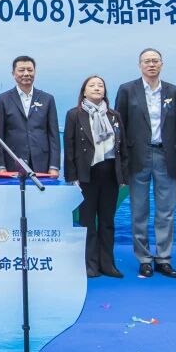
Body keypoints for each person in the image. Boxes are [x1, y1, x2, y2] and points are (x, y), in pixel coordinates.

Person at [115, 48, 176, 278]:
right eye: (146, 61)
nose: (151, 65)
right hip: (137, 156)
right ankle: (145, 258)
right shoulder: (127, 90)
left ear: (162, 64)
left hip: (167, 156)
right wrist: (122, 162)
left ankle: (164, 258)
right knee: (139, 210)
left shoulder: (174, 92)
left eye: (155, 61)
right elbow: (119, 127)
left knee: (166, 211)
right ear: (140, 65)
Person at [64, 75, 126, 278]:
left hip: (110, 173)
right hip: (86, 174)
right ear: (84, 91)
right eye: (92, 85)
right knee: (87, 221)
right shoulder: (74, 114)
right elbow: (70, 146)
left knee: (107, 221)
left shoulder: (114, 115)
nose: (97, 88)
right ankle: (90, 264)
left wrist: (123, 174)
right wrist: (72, 176)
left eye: (100, 85)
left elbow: (123, 146)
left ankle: (107, 264)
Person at [0, 56, 60, 176]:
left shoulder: (47, 99)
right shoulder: (2, 100)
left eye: (30, 70)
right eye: (21, 70)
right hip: (13, 162)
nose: (26, 73)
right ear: (13, 73)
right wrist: (0, 167)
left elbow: (53, 135)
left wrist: (54, 166)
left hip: (42, 162)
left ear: (35, 72)